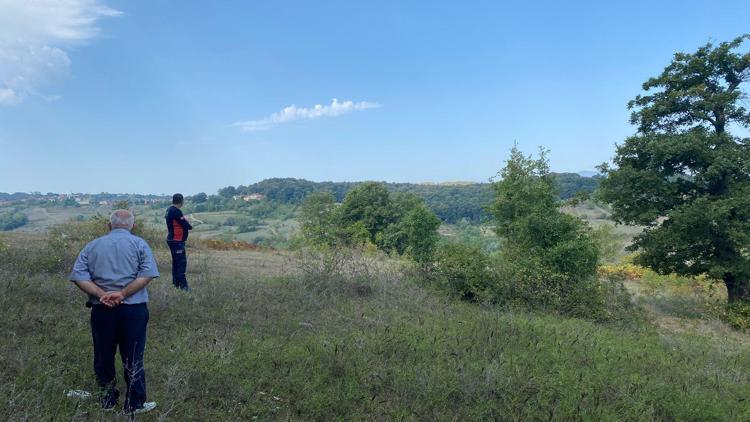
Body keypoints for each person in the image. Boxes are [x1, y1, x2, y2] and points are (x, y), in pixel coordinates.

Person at [69, 210, 159, 414]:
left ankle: (107, 401)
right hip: (134, 310)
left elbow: (79, 276)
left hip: (102, 310)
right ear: (132, 226)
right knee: (133, 356)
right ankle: (134, 404)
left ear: (109, 226)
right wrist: (123, 294)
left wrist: (102, 295)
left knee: (103, 355)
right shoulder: (140, 244)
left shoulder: (92, 246)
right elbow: (146, 275)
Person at [165, 193, 192, 291]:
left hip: (172, 239)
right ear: (181, 201)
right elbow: (186, 225)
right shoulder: (176, 211)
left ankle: (175, 284)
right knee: (181, 263)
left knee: (176, 263)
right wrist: (190, 225)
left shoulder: (169, 210)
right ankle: (184, 287)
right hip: (177, 240)